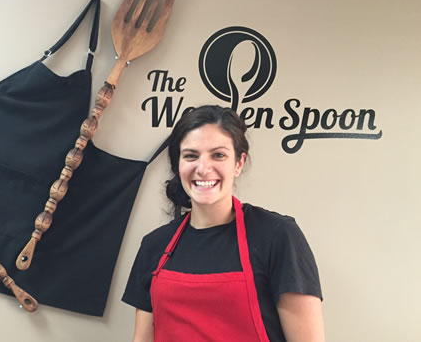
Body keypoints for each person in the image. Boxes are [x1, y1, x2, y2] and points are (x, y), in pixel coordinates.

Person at [122, 105, 324, 342]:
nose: (203, 168)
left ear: (238, 163)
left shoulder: (278, 236)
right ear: (178, 164)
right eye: (191, 155)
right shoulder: (154, 245)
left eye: (218, 155)